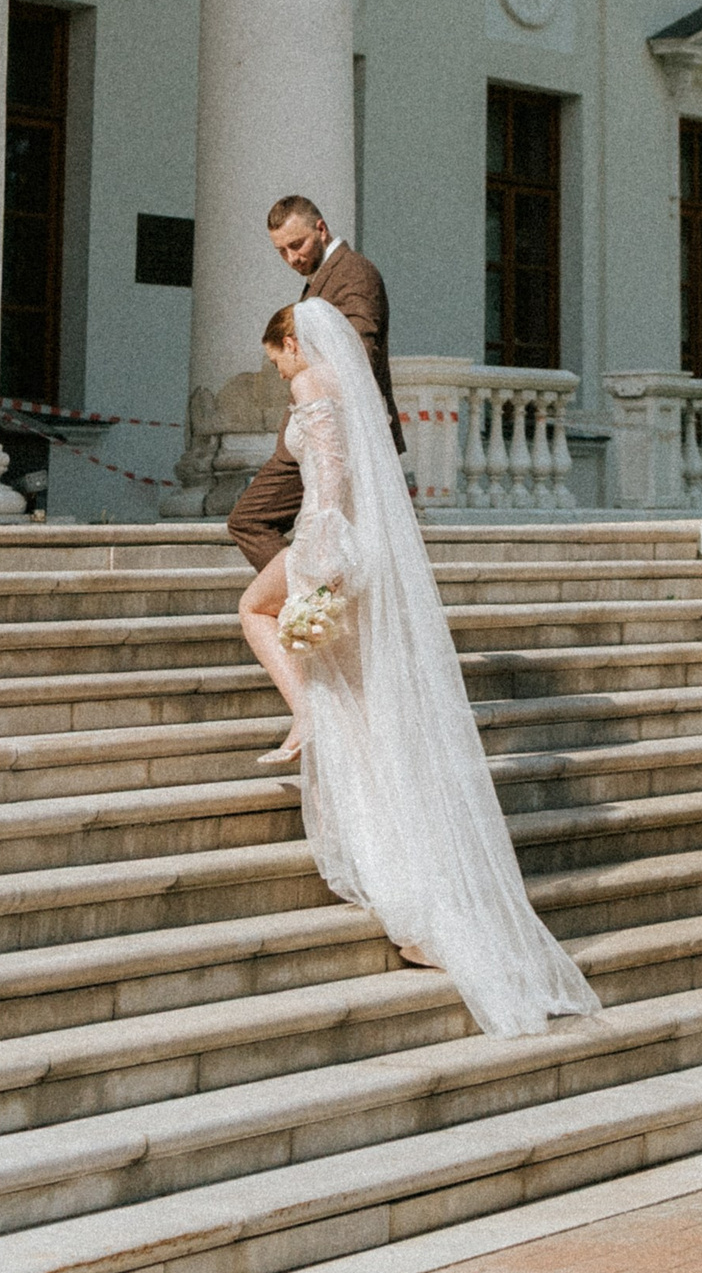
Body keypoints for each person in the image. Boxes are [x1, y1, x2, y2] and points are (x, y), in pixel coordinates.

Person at [243, 293, 599, 1036]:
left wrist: (319, 553)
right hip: (354, 545)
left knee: (256, 612)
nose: (277, 370)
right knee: (368, 705)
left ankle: (307, 718)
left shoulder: (312, 387)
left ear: (293, 344)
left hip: (326, 540)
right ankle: (329, 739)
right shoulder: (350, 389)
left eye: (276, 355)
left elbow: (330, 480)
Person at [227, 195, 400, 577]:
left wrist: (310, 400)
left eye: (297, 244)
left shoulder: (353, 273)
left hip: (333, 434)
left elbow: (360, 354)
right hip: (318, 433)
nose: (291, 258)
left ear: (321, 229)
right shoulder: (324, 278)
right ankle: (315, 605)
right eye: (281, 251)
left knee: (249, 519)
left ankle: (310, 603)